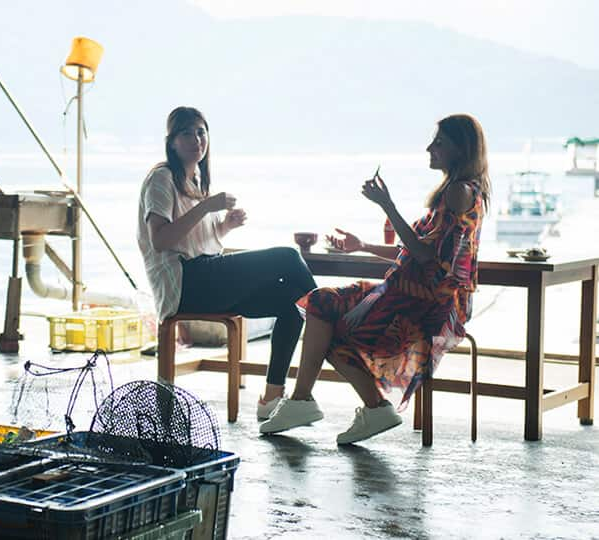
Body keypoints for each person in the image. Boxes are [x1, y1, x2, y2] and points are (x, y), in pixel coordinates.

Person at [259, 113, 491, 444]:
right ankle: (363, 407)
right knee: (325, 319)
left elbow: (425, 255)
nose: (430, 148)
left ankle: (309, 401)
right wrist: (362, 246)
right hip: (410, 292)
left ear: (461, 148)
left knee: (323, 307)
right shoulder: (461, 191)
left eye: (439, 142)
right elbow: (416, 254)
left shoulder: (458, 192)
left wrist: (387, 204)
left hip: (421, 303)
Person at [138, 106, 318, 420]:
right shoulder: (162, 177)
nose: (196, 139)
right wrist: (207, 206)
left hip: (204, 276)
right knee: (289, 257)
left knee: (293, 301)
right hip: (184, 284)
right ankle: (333, 325)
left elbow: (198, 242)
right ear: (172, 141)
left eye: (201, 131)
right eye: (186, 132)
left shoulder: (194, 180)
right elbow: (161, 241)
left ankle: (272, 400)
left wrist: (224, 227)